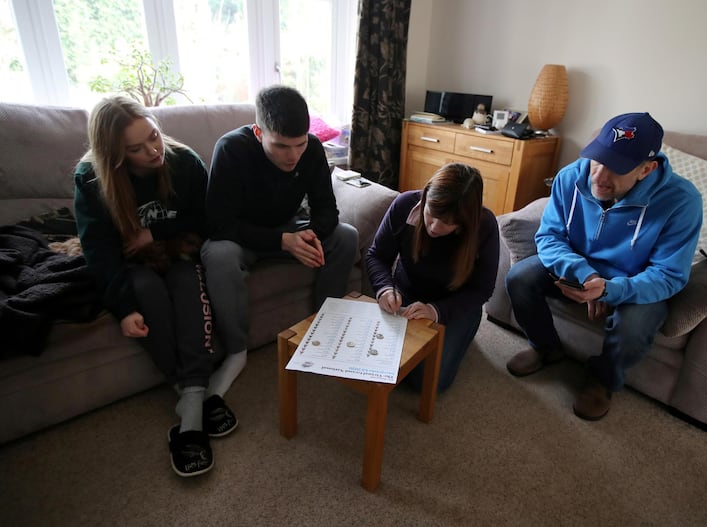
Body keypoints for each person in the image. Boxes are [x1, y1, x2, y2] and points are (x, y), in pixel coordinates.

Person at [74, 96, 237, 478]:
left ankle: (192, 404)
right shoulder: (91, 179)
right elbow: (98, 250)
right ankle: (191, 393)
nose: (153, 150)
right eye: (136, 148)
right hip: (132, 263)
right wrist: (124, 308)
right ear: (115, 155)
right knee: (146, 294)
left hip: (178, 249)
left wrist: (155, 232)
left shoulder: (184, 162)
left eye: (154, 136)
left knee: (185, 283)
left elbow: (206, 217)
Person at [505, 112, 703, 421]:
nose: (598, 176)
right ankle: (546, 348)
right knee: (520, 277)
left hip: (635, 279)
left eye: (615, 169)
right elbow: (550, 236)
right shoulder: (571, 176)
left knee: (635, 326)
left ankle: (603, 379)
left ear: (646, 169)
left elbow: (669, 274)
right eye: (598, 160)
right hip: (581, 266)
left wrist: (610, 290)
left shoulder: (682, 201)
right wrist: (584, 274)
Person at [201, 85, 358, 393]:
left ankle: (324, 327)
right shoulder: (231, 149)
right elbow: (218, 224)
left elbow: (327, 209)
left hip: (289, 227)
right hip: (242, 237)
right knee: (218, 256)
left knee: (346, 237)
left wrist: (311, 235)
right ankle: (236, 352)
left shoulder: (311, 149)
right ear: (259, 133)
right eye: (282, 146)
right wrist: (283, 241)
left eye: (299, 145)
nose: (293, 156)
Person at [366, 163, 500, 392]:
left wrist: (436, 311)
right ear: (425, 197)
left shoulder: (485, 226)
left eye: (448, 223)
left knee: (427, 381)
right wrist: (385, 289)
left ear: (464, 221)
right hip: (406, 293)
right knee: (375, 358)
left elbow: (482, 289)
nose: (435, 227)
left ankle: (464, 336)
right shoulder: (405, 205)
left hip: (454, 304)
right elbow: (377, 255)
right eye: (431, 214)